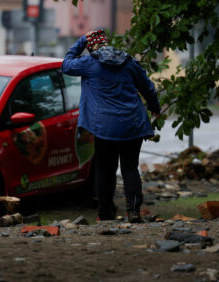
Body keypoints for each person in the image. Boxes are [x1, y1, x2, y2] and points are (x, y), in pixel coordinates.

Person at [62, 29, 161, 222]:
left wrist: (82, 40)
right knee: (130, 168)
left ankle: (105, 214)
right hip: (132, 124)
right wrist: (154, 107)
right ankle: (133, 211)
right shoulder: (129, 62)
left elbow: (66, 64)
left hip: (104, 127)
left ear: (91, 46)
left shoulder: (89, 63)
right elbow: (148, 87)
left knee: (105, 169)